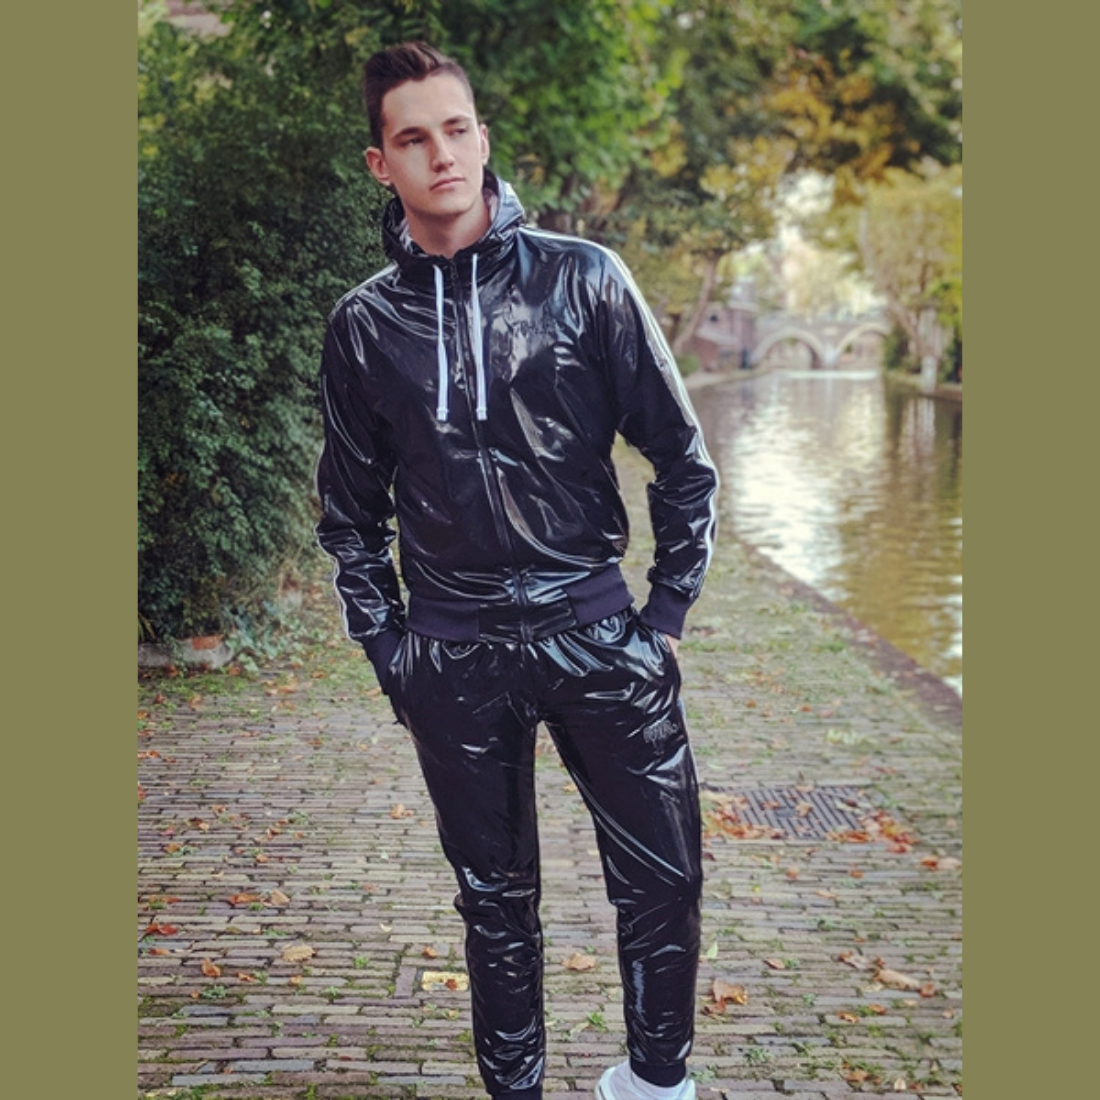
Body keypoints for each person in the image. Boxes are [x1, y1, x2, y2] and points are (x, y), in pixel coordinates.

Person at [315, 41, 719, 1100]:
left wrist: (664, 615)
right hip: (454, 656)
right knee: (493, 904)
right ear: (381, 164)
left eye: (456, 129)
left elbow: (681, 458)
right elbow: (349, 516)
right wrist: (393, 653)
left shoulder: (584, 280)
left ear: (483, 137)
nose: (441, 154)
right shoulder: (364, 325)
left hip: (599, 635)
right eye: (414, 139)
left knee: (664, 880)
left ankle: (653, 1082)